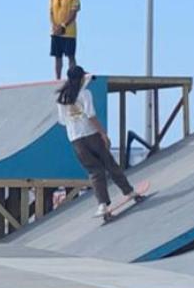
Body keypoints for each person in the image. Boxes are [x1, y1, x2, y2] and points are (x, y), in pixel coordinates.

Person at [56, 65, 144, 217]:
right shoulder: (85, 93)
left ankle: (102, 205)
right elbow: (91, 116)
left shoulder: (61, 98)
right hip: (91, 134)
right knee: (109, 164)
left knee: (94, 171)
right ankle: (129, 192)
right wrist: (103, 134)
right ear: (81, 78)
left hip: (76, 139)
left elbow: (63, 121)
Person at [47, 0, 80, 80]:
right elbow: (51, 13)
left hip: (69, 32)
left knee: (70, 56)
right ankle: (57, 78)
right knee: (57, 56)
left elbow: (73, 12)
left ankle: (73, 77)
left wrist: (64, 25)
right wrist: (55, 26)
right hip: (56, 31)